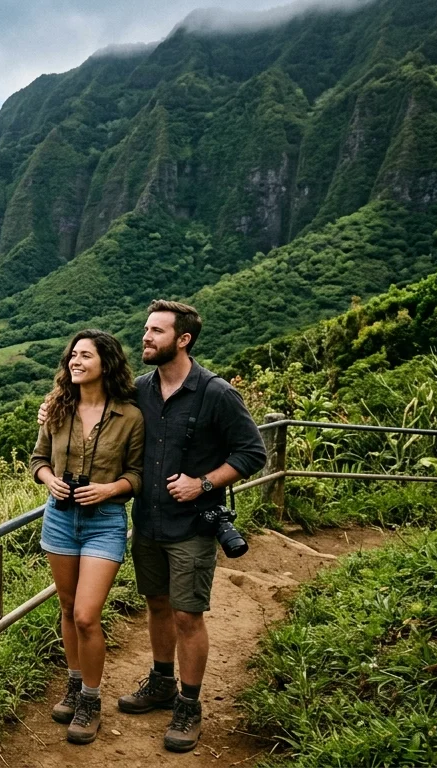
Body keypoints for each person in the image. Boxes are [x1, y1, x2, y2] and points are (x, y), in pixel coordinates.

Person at [40, 300, 265, 752]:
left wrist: (204, 482)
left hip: (192, 524)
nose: (146, 337)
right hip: (147, 522)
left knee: (187, 614)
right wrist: (50, 411)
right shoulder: (140, 391)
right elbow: (89, 412)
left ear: (183, 340)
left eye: (156, 331)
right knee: (158, 606)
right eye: (145, 329)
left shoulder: (214, 392)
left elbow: (252, 453)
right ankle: (161, 682)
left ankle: (189, 705)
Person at [30, 329, 144, 745]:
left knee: (86, 614)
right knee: (65, 607)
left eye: (85, 356)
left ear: (105, 363)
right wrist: (49, 481)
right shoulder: (58, 409)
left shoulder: (129, 416)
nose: (75, 362)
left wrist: (109, 489)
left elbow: (138, 474)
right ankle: (74, 684)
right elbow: (38, 459)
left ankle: (92, 700)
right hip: (60, 519)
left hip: (104, 520)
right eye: (72, 356)